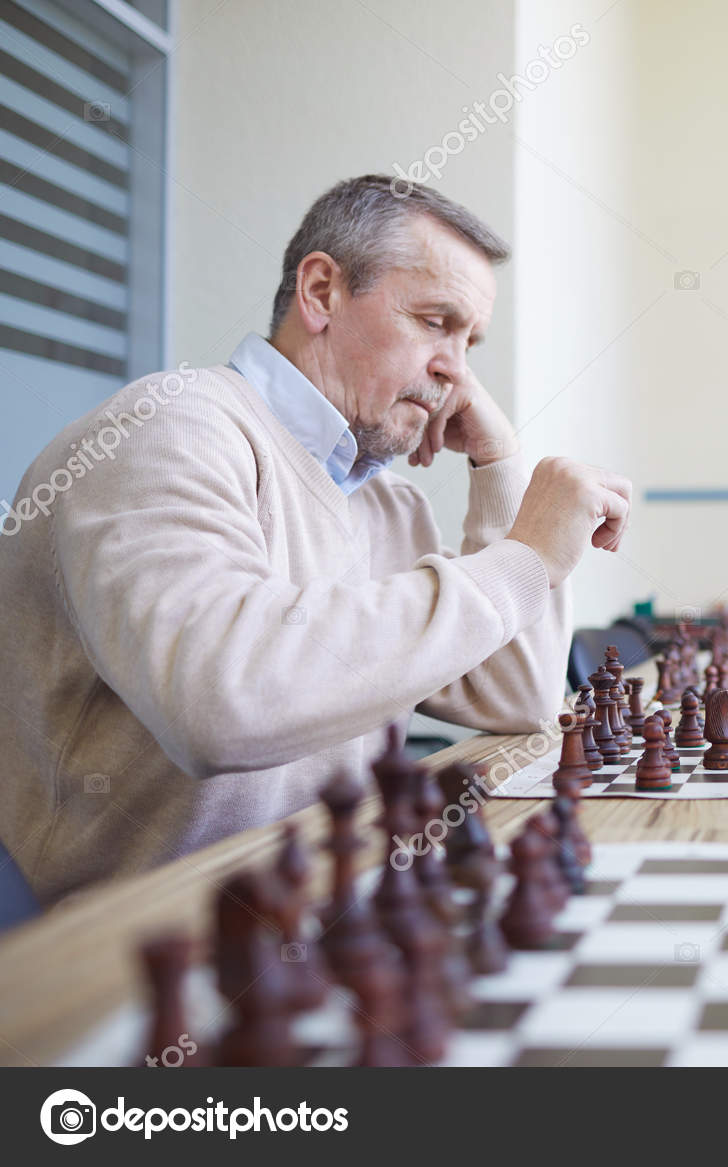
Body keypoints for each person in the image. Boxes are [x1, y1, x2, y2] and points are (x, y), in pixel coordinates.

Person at [0, 175, 630, 904]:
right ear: (322, 292)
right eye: (435, 321)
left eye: (470, 340)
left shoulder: (381, 498)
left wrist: (499, 468)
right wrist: (524, 559)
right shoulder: (165, 429)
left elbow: (520, 697)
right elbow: (223, 701)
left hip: (319, 919)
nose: (457, 370)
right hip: (126, 959)